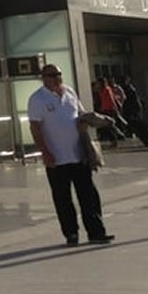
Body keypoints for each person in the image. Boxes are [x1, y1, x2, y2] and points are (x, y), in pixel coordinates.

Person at [28, 64, 114, 246]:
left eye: (59, 74)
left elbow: (80, 114)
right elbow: (35, 128)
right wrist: (45, 152)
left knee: (89, 195)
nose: (56, 78)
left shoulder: (70, 92)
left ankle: (96, 232)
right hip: (56, 158)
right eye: (52, 75)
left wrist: (88, 122)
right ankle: (71, 233)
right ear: (44, 78)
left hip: (78, 154)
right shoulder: (37, 99)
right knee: (62, 198)